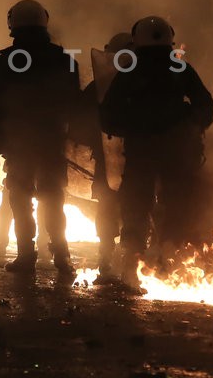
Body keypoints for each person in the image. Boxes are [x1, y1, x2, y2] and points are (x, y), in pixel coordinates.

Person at [100, 16, 213, 290]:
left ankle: (131, 270)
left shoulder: (130, 72)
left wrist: (127, 127)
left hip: (140, 152)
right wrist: (190, 124)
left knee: (135, 208)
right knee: (175, 206)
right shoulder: (180, 68)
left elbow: (108, 115)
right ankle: (169, 262)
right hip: (176, 153)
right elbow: (205, 106)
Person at [0, 0, 80, 274]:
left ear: (12, 24)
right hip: (51, 140)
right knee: (53, 197)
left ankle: (26, 254)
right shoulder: (64, 61)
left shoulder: (3, 61)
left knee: (20, 197)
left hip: (18, 142)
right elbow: (74, 103)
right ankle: (62, 255)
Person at [77, 32, 131, 281]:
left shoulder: (100, 86)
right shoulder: (150, 82)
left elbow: (81, 121)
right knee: (135, 208)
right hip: (140, 159)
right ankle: (130, 263)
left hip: (111, 161)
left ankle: (108, 261)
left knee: (109, 209)